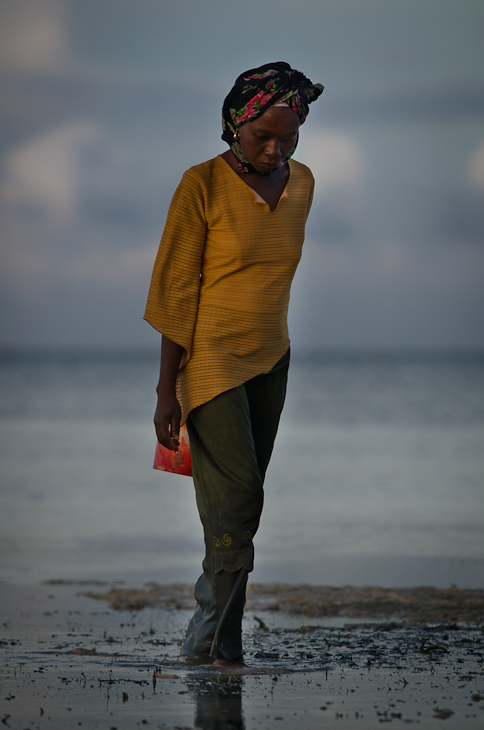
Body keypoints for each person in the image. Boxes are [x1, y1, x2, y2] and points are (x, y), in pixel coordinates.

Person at [144, 62, 323, 667]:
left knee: (235, 505)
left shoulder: (303, 185)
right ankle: (221, 642)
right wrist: (167, 392)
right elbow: (174, 290)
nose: (275, 150)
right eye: (261, 137)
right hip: (212, 359)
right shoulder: (201, 185)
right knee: (240, 498)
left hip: (272, 358)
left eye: (289, 138)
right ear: (233, 125)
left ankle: (205, 632)